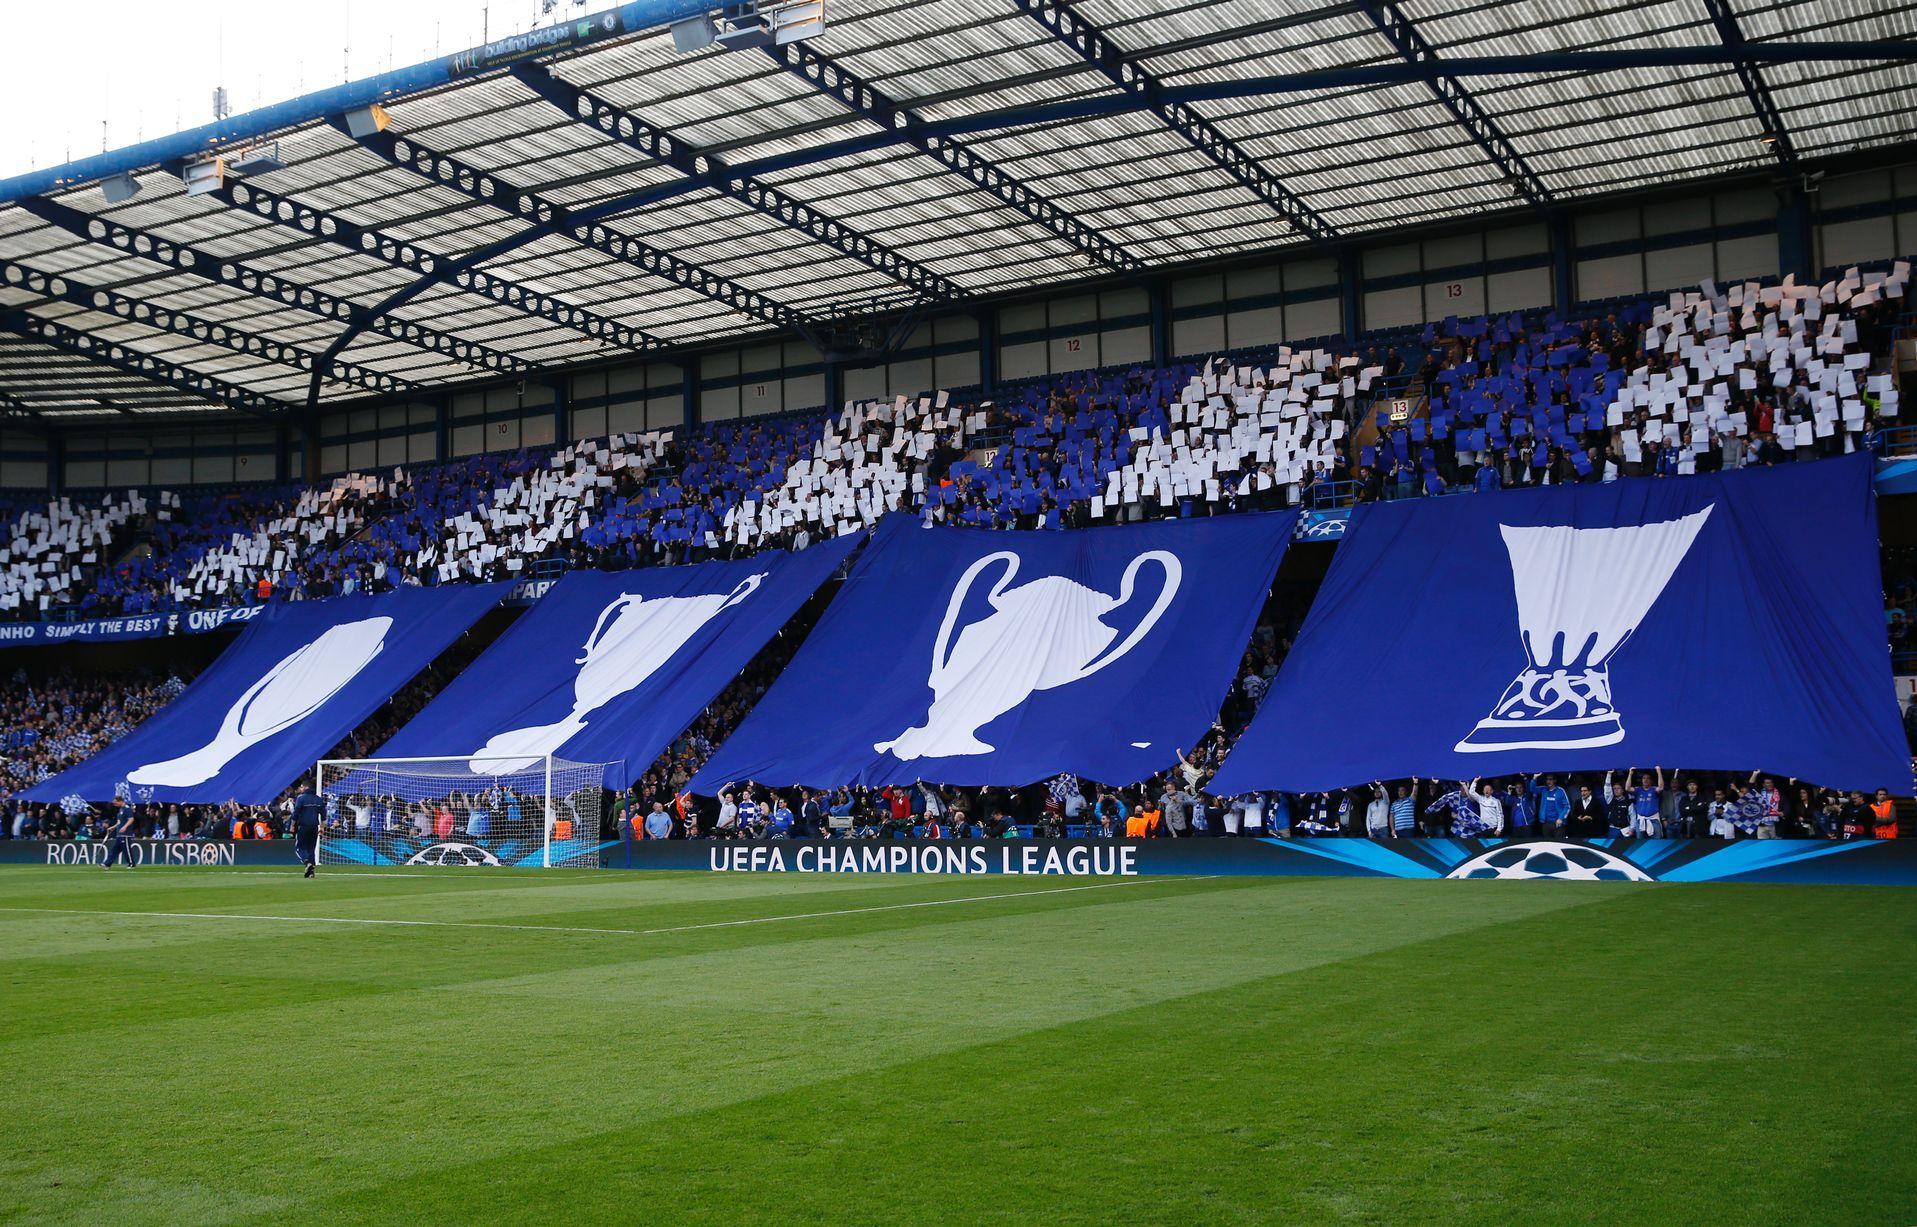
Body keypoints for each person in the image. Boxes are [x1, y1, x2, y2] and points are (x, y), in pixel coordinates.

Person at [292, 786, 325, 877]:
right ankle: (311, 872)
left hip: (303, 826)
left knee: (300, 848)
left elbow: (296, 812)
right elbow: (324, 816)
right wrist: (322, 828)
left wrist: (292, 825)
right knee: (311, 848)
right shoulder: (319, 799)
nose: (301, 788)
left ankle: (307, 863)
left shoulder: (301, 798)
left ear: (306, 787)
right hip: (314, 827)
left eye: (302, 786)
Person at [101, 801, 136, 871]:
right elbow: (119, 822)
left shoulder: (127, 808)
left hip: (125, 833)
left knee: (126, 849)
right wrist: (113, 827)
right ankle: (107, 863)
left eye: (115, 802)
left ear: (120, 801)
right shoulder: (121, 809)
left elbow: (131, 819)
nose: (114, 804)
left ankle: (131, 863)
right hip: (119, 833)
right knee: (115, 850)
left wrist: (125, 827)